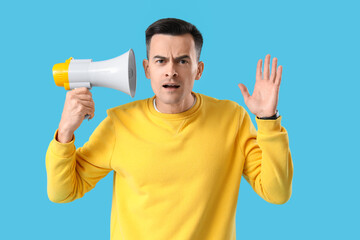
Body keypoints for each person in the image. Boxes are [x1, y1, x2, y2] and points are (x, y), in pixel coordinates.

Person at [46, 18, 293, 240]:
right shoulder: (118, 124)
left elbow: (277, 192)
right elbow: (63, 192)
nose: (171, 70)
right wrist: (65, 132)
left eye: (183, 60)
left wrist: (267, 118)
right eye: (160, 60)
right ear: (147, 69)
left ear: (199, 70)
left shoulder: (232, 119)